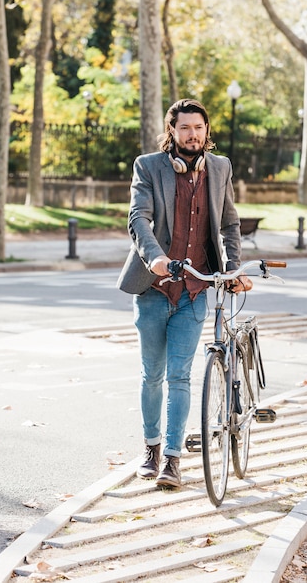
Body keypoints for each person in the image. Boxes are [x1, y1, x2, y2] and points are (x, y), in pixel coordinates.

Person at [117, 98, 242, 488]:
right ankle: (151, 448)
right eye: (184, 128)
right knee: (152, 375)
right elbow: (139, 218)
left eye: (198, 127)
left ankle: (172, 459)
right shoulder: (148, 166)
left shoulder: (220, 168)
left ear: (207, 131)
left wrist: (233, 268)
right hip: (154, 288)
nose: (192, 134)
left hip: (195, 289)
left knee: (181, 376)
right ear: (171, 130)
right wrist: (153, 258)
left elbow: (229, 224)